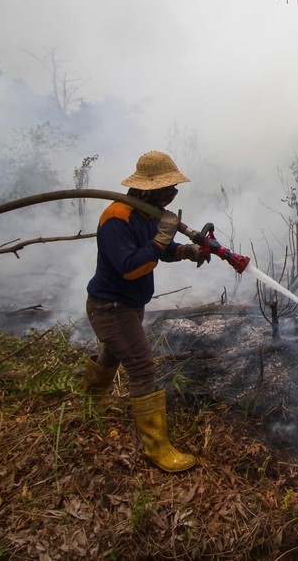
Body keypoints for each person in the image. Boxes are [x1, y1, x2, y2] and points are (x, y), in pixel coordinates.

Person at [82, 150, 207, 473]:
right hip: (110, 307)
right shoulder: (116, 218)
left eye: (174, 189)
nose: (173, 194)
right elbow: (129, 267)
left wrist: (185, 249)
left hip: (128, 304)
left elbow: (160, 251)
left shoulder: (147, 214)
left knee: (112, 354)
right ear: (147, 189)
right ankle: (157, 448)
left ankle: (91, 403)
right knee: (141, 366)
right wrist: (163, 236)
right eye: (169, 189)